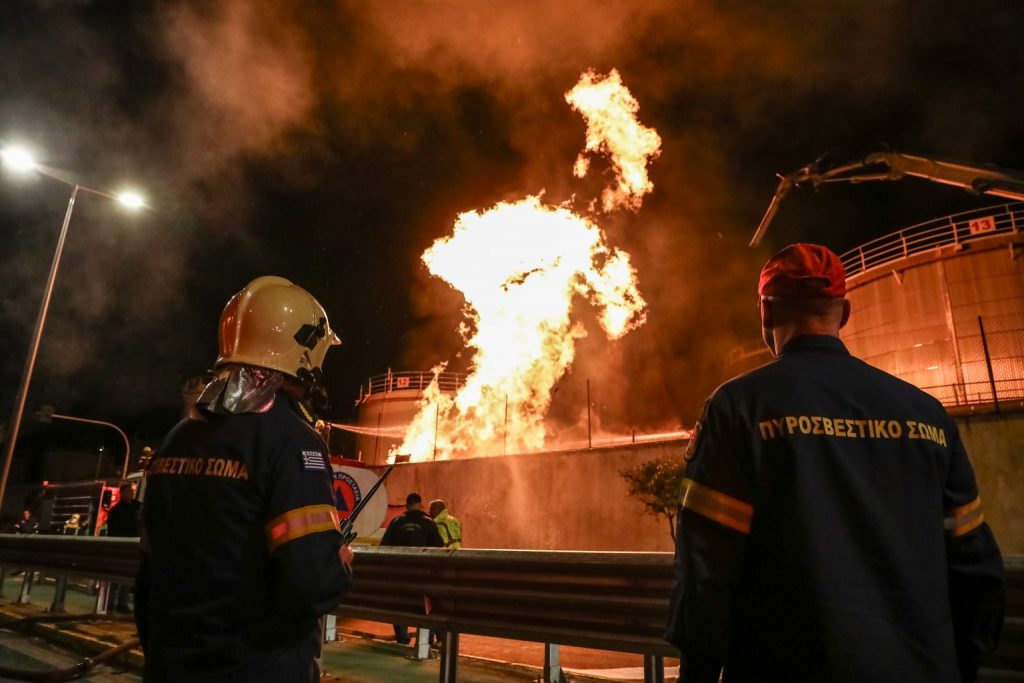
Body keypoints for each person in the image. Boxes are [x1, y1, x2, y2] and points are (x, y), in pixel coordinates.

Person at [665, 244, 1005, 683]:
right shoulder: (927, 415)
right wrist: (958, 663)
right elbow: (974, 564)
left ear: (766, 313)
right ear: (844, 313)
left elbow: (708, 566)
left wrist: (698, 672)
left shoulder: (739, 409)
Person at [135, 276, 353, 682]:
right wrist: (338, 564)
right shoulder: (292, 441)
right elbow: (312, 583)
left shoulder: (177, 437)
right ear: (305, 355)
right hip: (257, 667)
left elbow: (149, 570)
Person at [380, 492, 444, 645]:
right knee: (425, 606)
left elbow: (384, 546)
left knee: (400, 605)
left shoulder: (396, 522)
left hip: (400, 576)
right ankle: (425, 640)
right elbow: (439, 546)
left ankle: (402, 638)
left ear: (407, 505)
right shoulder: (428, 522)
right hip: (423, 576)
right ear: (420, 505)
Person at [106, 483, 142, 611]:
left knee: (126, 576)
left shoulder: (136, 508)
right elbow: (113, 531)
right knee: (116, 576)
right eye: (128, 491)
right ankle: (111, 602)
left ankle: (120, 603)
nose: (131, 493)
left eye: (132, 491)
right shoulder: (116, 511)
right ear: (122, 493)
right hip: (121, 546)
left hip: (130, 545)